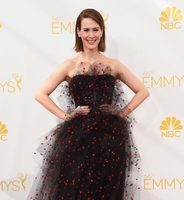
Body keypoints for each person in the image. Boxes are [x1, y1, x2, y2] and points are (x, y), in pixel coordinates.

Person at [27, 8, 149, 200]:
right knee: (74, 190)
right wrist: (66, 116)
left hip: (110, 138)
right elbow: (41, 94)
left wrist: (122, 113)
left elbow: (143, 91)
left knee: (107, 191)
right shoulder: (69, 65)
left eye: (95, 30)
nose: (91, 35)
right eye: (86, 30)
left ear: (102, 32)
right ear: (78, 32)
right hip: (78, 138)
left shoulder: (114, 65)